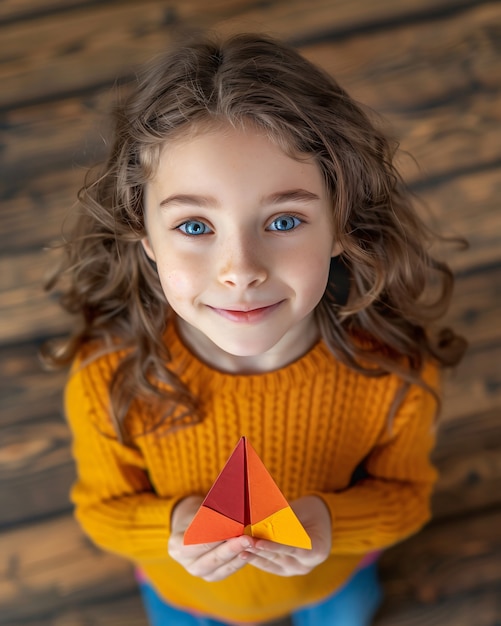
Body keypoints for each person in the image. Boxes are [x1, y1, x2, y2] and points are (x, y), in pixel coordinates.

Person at [43, 32, 466, 626]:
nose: (240, 270)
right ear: (144, 238)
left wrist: (333, 523)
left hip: (330, 582)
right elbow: (101, 511)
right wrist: (167, 528)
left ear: (343, 223)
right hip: (185, 595)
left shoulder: (394, 375)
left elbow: (407, 498)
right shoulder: (106, 381)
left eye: (284, 219)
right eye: (194, 227)